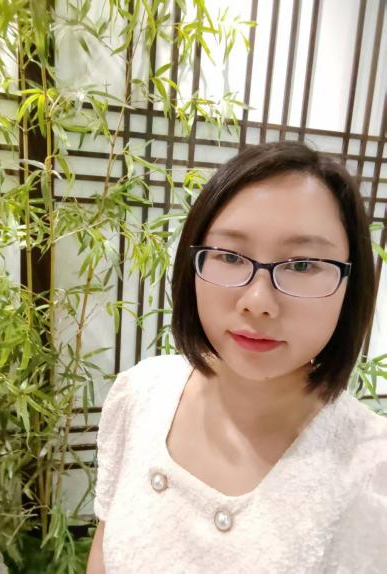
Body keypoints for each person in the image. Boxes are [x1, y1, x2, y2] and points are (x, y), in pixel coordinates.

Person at [86, 141, 387, 573]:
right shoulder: (140, 392)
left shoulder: (373, 469)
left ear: (350, 285)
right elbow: (103, 549)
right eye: (229, 256)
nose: (258, 302)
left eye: (302, 265)